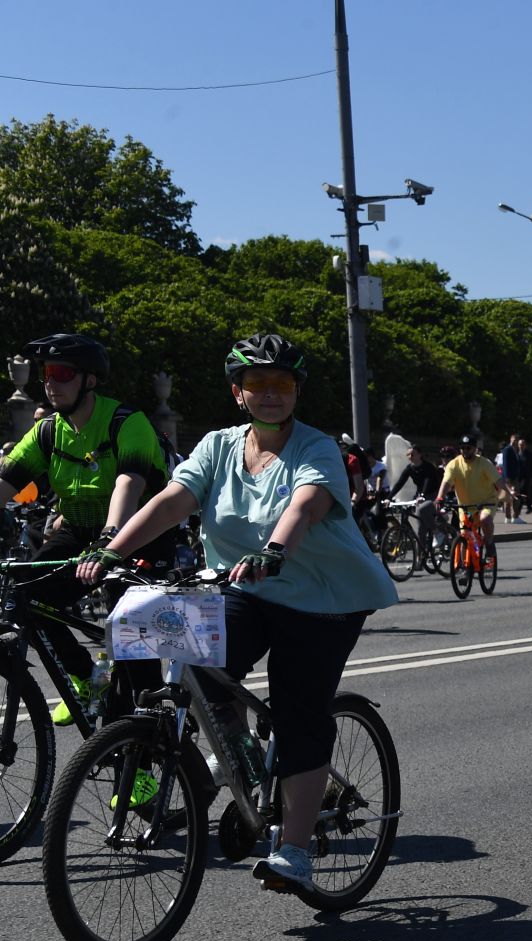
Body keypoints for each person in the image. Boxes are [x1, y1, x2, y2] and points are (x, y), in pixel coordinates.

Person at [78, 334, 397, 891]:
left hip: (323, 598)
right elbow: (172, 501)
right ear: (238, 392)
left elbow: (307, 503)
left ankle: (294, 851)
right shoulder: (218, 446)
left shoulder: (316, 447)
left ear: (297, 391)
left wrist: (273, 552)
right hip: (246, 588)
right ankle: (237, 757)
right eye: (257, 384)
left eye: (283, 384)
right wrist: (112, 551)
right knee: (179, 648)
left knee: (299, 713)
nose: (270, 394)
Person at [2, 333, 175, 725]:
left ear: (90, 380)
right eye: (46, 374)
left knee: (134, 645)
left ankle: (146, 761)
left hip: (138, 532)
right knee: (28, 596)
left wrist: (110, 538)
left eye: (62, 373)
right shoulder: (49, 430)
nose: (50, 383)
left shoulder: (126, 422)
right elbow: (7, 481)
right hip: (80, 528)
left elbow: (128, 484)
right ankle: (83, 678)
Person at [435, 434, 510, 562]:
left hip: (486, 503)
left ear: (475, 449)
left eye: (468, 448)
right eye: (462, 448)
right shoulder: (453, 464)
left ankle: (489, 544)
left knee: (485, 519)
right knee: (464, 535)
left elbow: (500, 484)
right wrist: (439, 498)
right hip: (465, 506)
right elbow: (446, 483)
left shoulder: (485, 463)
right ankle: (465, 568)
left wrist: (506, 494)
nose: (465, 451)